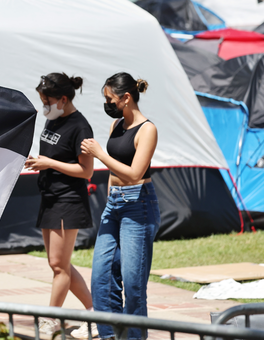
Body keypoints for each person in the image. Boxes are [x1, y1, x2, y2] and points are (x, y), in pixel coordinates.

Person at [80, 72, 160, 340]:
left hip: (139, 204)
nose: (107, 104)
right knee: (101, 277)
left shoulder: (147, 129)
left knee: (133, 283)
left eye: (109, 99)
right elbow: (117, 170)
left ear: (126, 98)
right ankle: (110, 335)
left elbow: (135, 173)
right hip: (113, 204)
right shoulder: (117, 125)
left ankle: (134, 337)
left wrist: (100, 154)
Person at [24, 73, 97, 339]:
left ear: (63, 99)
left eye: (47, 101)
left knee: (58, 265)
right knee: (59, 264)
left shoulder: (80, 127)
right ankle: (93, 311)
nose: (44, 106)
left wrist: (50, 164)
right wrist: (39, 162)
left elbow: (86, 171)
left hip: (68, 200)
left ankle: (51, 319)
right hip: (50, 198)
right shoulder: (52, 119)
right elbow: (53, 155)